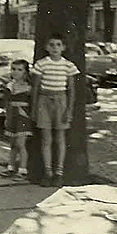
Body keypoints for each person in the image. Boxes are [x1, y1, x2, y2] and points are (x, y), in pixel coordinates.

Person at [31, 33, 80, 188]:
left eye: (58, 45)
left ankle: (59, 172)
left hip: (61, 101)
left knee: (60, 138)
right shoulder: (41, 64)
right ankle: (48, 172)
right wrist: (34, 108)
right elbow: (36, 88)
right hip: (44, 101)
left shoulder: (68, 66)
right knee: (46, 139)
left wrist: (69, 110)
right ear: (46, 47)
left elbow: (71, 90)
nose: (55, 48)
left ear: (63, 47)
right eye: (51, 45)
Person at [0, 59, 33, 182]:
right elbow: (6, 103)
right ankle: (11, 167)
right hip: (12, 115)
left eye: (20, 70)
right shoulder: (9, 86)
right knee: (12, 144)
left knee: (21, 143)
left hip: (23, 116)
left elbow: (32, 104)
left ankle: (23, 170)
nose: (16, 72)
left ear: (25, 72)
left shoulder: (29, 87)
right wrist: (7, 117)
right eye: (13, 69)